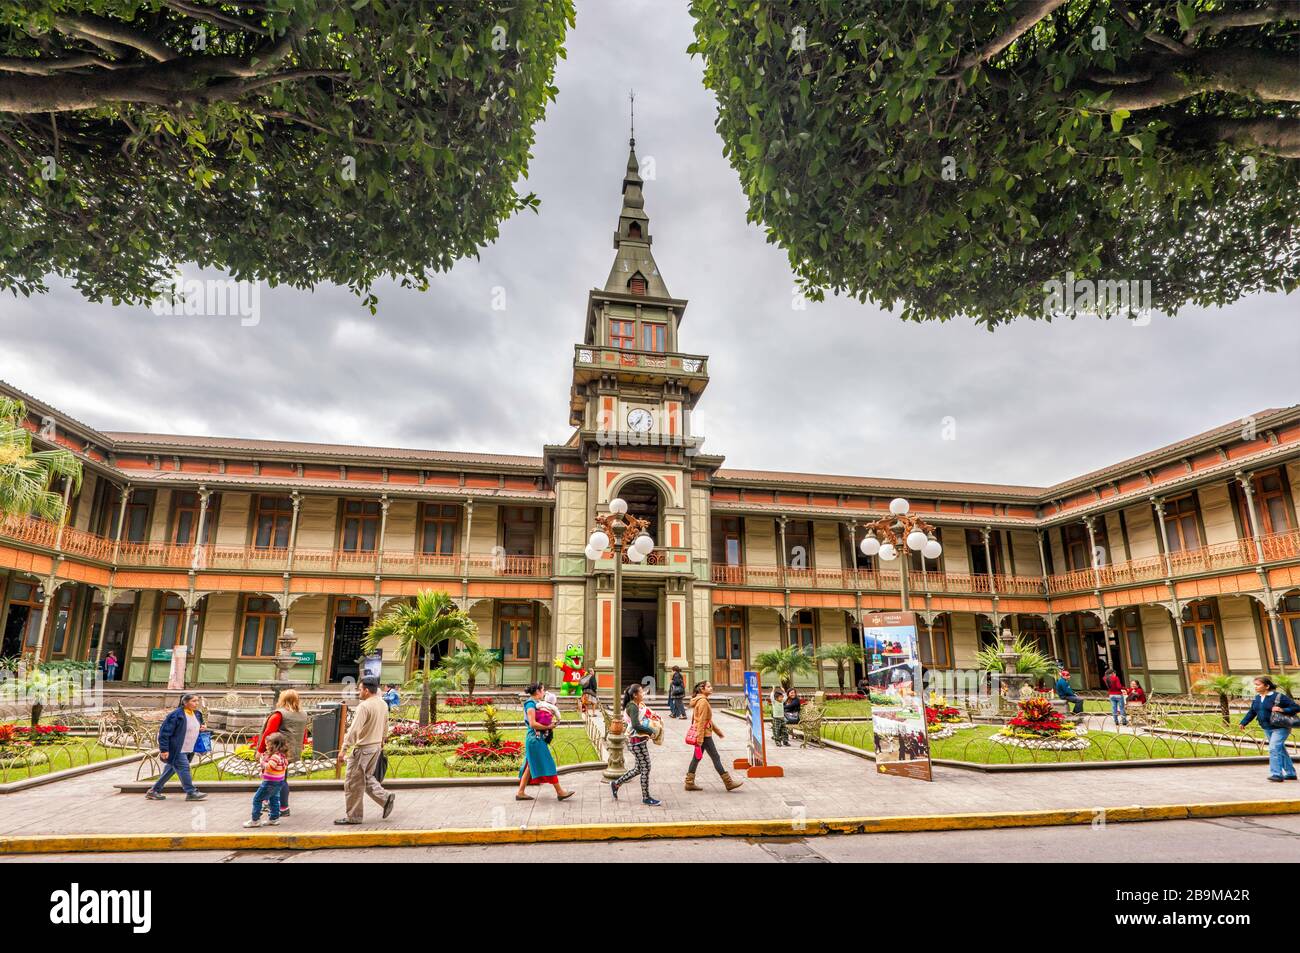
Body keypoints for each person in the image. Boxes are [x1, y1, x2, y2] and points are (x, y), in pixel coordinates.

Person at [334, 676, 395, 824]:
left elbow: (354, 730)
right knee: (367, 778)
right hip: (375, 747)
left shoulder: (364, 706)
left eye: (360, 689)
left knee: (353, 782)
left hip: (363, 748)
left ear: (367, 690)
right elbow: (386, 725)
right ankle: (385, 798)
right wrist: (382, 741)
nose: (358, 692)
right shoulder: (382, 704)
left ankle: (354, 816)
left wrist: (343, 749)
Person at [253, 689, 310, 817]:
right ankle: (275, 804)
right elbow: (304, 733)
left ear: (282, 699)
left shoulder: (279, 714)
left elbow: (268, 734)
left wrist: (260, 750)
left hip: (277, 752)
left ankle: (282, 807)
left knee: (277, 779)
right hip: (292, 751)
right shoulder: (303, 714)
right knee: (282, 778)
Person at [145, 692, 208, 801]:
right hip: (177, 749)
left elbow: (197, 727)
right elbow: (164, 733)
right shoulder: (176, 715)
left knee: (170, 770)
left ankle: (153, 791)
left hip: (189, 748)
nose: (196, 703)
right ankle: (191, 792)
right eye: (194, 701)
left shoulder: (197, 714)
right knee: (184, 768)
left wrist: (202, 728)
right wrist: (164, 750)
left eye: (197, 701)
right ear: (185, 702)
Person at [516, 683, 575, 800]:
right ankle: (560, 792)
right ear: (537, 692)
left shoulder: (537, 704)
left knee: (529, 766)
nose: (544, 692)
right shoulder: (530, 704)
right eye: (543, 690)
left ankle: (520, 792)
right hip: (535, 739)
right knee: (549, 763)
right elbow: (533, 723)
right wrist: (549, 727)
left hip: (535, 738)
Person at [684, 680, 742, 792]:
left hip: (703, 733)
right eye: (709, 686)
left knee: (696, 758)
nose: (711, 688)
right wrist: (700, 738)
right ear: (702, 689)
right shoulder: (703, 702)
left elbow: (707, 720)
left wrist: (718, 732)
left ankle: (689, 782)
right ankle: (728, 783)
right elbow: (701, 722)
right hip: (704, 735)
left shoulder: (700, 700)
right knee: (716, 758)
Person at [1240, 675, 1299, 782]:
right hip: (1267, 727)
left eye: (1258, 685)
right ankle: (1290, 773)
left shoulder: (1278, 697)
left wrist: (1283, 709)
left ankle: (1276, 774)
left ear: (1267, 686)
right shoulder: (1257, 698)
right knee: (1279, 749)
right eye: (1255, 685)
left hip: (1280, 728)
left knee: (1273, 748)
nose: (1256, 687)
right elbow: (1252, 712)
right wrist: (1244, 722)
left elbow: (1296, 707)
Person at [611, 683, 659, 805]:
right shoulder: (632, 707)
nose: (643, 694)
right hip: (636, 742)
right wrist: (651, 731)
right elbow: (636, 725)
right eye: (641, 692)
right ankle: (646, 797)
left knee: (639, 768)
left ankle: (616, 784)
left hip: (638, 741)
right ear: (635, 695)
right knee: (646, 768)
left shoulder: (634, 705)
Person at [245, 732, 289, 827]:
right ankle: (274, 818)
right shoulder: (282, 756)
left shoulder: (275, 756)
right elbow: (283, 767)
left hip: (270, 783)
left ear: (274, 745)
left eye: (268, 745)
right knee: (274, 799)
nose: (267, 747)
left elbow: (269, 767)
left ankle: (255, 820)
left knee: (257, 799)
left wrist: (262, 762)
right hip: (279, 782)